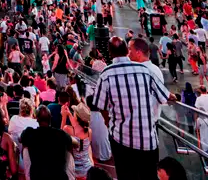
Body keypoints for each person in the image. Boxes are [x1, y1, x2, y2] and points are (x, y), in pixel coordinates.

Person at [91, 37, 174, 177]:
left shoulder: (106, 75)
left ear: (110, 54)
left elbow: (101, 106)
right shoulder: (144, 70)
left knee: (126, 175)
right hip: (147, 140)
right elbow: (164, 96)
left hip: (121, 139)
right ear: (126, 51)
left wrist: (109, 124)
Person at [19, 106, 73, 180]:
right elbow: (70, 144)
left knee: (25, 147)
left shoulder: (30, 133)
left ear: (36, 119)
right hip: (58, 176)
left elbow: (20, 139)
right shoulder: (61, 134)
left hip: (38, 176)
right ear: (51, 118)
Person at [63, 103, 93, 180]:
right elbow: (77, 127)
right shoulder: (89, 131)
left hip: (74, 170)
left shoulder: (68, 129)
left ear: (77, 117)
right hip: (87, 168)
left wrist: (64, 116)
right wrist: (69, 114)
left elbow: (60, 134)